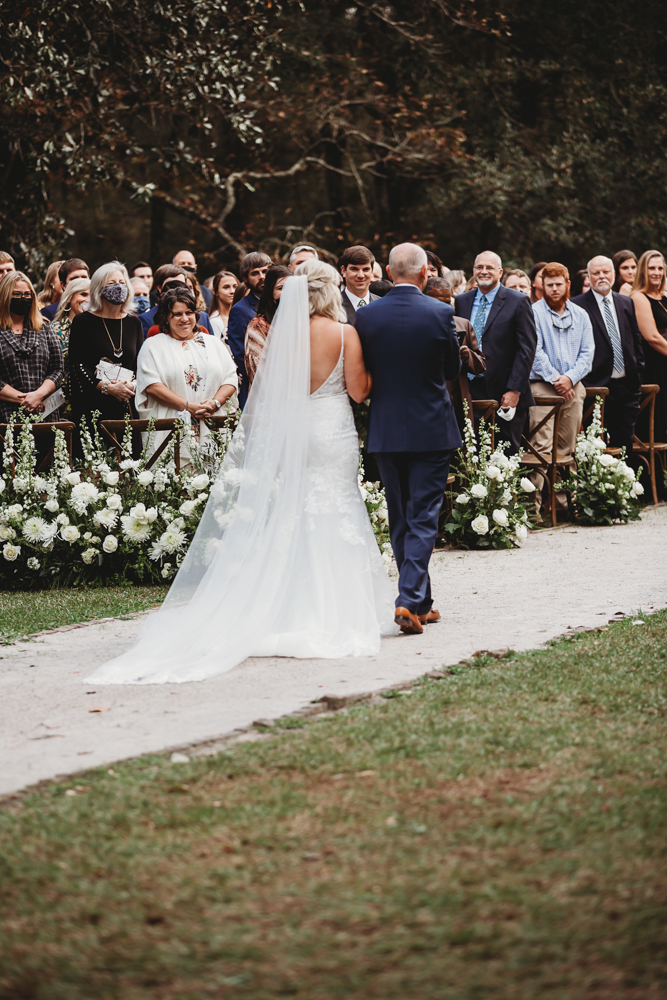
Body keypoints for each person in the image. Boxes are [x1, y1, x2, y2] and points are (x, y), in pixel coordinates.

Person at [88, 260, 396, 684]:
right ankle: (335, 608)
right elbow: (360, 392)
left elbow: (267, 390)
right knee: (336, 507)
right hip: (331, 429)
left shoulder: (283, 336)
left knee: (294, 508)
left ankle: (284, 606)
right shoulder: (345, 334)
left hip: (294, 431)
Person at [355, 244, 461, 635]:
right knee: (424, 516)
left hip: (385, 429)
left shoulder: (365, 317)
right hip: (431, 429)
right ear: (424, 274)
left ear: (386, 270)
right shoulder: (441, 312)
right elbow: (452, 366)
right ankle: (407, 598)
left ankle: (421, 603)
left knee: (401, 517)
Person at [135, 286, 238, 465]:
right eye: (177, 314)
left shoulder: (213, 343)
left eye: (189, 312)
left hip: (212, 425)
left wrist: (215, 403)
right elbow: (151, 385)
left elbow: (230, 378)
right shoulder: (153, 346)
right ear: (166, 317)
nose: (184, 319)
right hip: (170, 432)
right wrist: (188, 406)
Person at [455, 251, 538, 453]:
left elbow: (526, 348)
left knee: (504, 456)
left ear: (500, 272)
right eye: (479, 267)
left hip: (504, 390)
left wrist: (514, 390)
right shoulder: (462, 301)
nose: (484, 271)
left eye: (489, 267)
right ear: (473, 271)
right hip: (468, 390)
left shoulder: (517, 301)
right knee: (469, 453)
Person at [528, 263, 595, 504]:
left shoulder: (581, 315)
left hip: (573, 387)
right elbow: (534, 351)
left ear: (568, 285)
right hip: (541, 386)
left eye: (559, 284)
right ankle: (533, 506)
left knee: (567, 446)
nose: (554, 289)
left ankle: (565, 502)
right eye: (549, 285)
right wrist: (557, 379)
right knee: (541, 446)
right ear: (541, 286)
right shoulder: (533, 312)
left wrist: (569, 379)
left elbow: (587, 353)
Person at [572, 255, 644, 455]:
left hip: (626, 387)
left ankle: (622, 485)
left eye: (606, 272)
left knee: (624, 449)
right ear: (589, 276)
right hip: (594, 387)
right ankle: (594, 487)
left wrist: (637, 375)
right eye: (596, 273)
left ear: (613, 274)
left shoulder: (625, 303)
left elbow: (635, 340)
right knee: (593, 449)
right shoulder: (576, 305)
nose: (601, 276)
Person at [68, 261, 143, 434]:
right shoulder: (83, 322)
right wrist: (107, 388)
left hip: (126, 402)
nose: (118, 287)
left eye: (122, 283)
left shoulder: (134, 323)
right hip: (93, 406)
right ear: (98, 288)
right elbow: (77, 365)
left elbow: (141, 365)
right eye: (111, 283)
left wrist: (131, 385)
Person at [0, 271, 64, 428]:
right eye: (16, 294)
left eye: (27, 294)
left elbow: (57, 369)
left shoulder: (44, 327)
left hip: (45, 413)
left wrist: (39, 395)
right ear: (4, 296)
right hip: (6, 416)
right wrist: (26, 400)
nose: (23, 299)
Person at [424, 277, 485, 430]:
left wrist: (467, 356)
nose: (442, 308)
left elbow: (481, 365)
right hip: (429, 401)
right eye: (436, 303)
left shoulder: (462, 324)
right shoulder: (416, 324)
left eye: (446, 303)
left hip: (459, 401)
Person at [630, 250, 667, 450]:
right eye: (652, 268)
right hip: (654, 366)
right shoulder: (638, 297)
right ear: (643, 271)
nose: (656, 272)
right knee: (657, 421)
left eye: (660, 268)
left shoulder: (663, 296)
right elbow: (652, 337)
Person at [227, 251, 272, 408]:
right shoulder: (241, 310)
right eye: (255, 273)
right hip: (258, 390)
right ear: (245, 279)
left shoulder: (281, 303)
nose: (262, 277)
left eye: (265, 271)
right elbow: (242, 357)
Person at [244, 265, 290, 388]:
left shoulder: (304, 322)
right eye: (280, 288)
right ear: (270, 292)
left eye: (290, 288)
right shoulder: (258, 326)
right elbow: (259, 373)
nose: (286, 293)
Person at [50, 277, 90, 373]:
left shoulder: (100, 329)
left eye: (93, 296)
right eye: (83, 294)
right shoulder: (53, 330)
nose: (89, 300)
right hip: (62, 386)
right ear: (69, 298)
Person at [139, 264, 189, 336]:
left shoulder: (202, 317)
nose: (177, 289)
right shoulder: (147, 319)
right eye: (172, 285)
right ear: (159, 288)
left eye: (181, 285)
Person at [338, 245, 379, 325]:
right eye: (354, 269)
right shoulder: (332, 305)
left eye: (365, 269)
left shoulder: (383, 305)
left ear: (372, 271)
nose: (361, 275)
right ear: (343, 270)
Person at [209, 270, 239, 342]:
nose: (232, 291)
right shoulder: (214, 321)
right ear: (215, 291)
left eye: (235, 287)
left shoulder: (240, 315)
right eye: (226, 287)